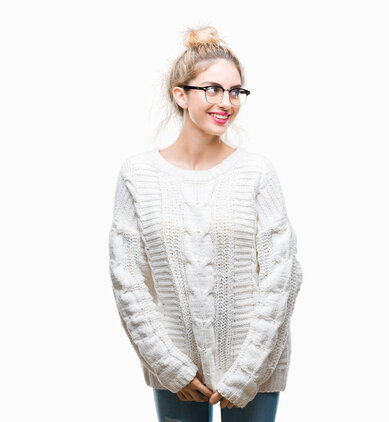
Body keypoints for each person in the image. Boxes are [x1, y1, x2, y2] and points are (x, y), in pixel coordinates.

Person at [108, 25, 303, 422]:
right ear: (180, 95)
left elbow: (282, 278)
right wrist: (170, 367)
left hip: (256, 370)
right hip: (176, 369)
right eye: (212, 88)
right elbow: (127, 280)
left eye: (235, 91)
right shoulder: (137, 175)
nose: (227, 101)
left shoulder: (257, 173)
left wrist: (247, 373)